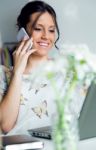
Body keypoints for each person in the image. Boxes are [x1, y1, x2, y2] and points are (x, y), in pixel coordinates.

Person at [0, 0, 60, 135]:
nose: (46, 36)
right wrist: (18, 72)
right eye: (38, 29)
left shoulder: (66, 73)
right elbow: (6, 126)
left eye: (51, 30)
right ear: (22, 32)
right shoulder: (3, 74)